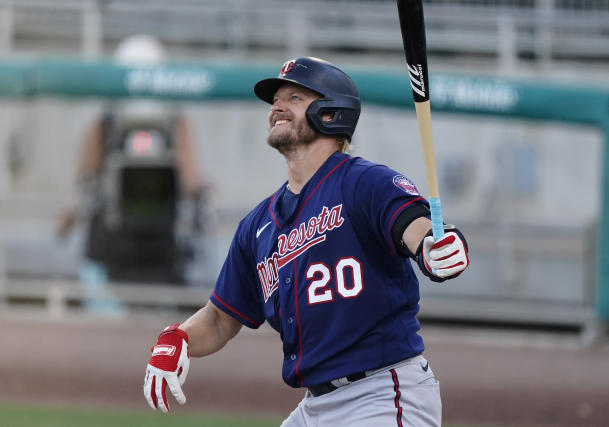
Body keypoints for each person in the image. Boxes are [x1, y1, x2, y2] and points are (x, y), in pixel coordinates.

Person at [143, 57, 469, 426]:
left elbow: (416, 228)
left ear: (332, 113)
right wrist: (179, 337)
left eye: (294, 98)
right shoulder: (258, 225)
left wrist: (433, 248)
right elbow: (221, 319)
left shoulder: (364, 183)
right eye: (276, 100)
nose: (277, 107)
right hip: (316, 406)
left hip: (383, 394)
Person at [57, 35, 207, 307]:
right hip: (113, 244)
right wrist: (71, 212)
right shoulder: (106, 124)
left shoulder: (173, 123)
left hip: (159, 246)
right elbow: (86, 178)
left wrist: (201, 199)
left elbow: (191, 178)